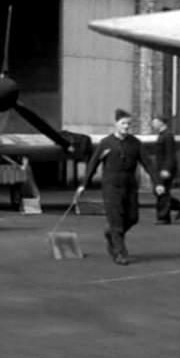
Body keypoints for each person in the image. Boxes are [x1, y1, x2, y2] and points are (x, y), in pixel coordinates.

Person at [75, 109, 164, 265]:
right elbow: (92, 164)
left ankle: (110, 234)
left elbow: (148, 164)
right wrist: (83, 185)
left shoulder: (135, 144)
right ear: (116, 124)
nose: (126, 127)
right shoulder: (106, 143)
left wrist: (157, 183)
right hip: (111, 187)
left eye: (129, 124)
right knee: (116, 221)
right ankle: (120, 253)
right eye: (123, 123)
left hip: (129, 186)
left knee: (132, 217)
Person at [151, 114, 180, 224]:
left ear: (161, 122)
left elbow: (170, 154)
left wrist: (167, 169)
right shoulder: (162, 135)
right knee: (158, 191)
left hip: (166, 169)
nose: (153, 124)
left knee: (162, 192)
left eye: (155, 121)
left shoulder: (168, 136)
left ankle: (163, 218)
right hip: (161, 168)